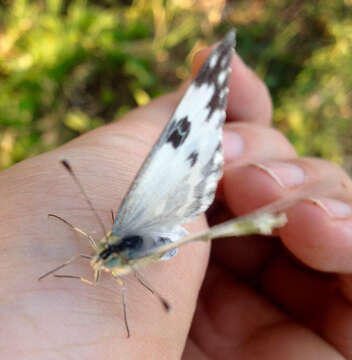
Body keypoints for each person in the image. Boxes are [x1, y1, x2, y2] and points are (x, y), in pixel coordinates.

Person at [0, 40, 350, 360]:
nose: (96, 252)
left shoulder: (113, 250)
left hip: (158, 228)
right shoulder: (105, 252)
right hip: (165, 228)